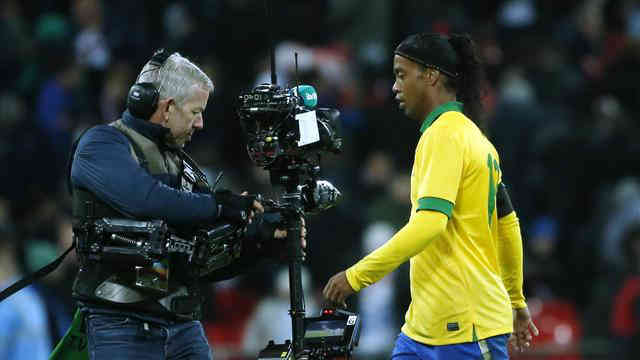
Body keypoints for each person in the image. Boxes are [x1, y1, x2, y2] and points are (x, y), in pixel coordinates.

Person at [60, 49, 299, 360]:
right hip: (121, 326)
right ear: (167, 107)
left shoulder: (180, 164)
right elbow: (145, 199)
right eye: (195, 112)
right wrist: (219, 206)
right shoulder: (101, 144)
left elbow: (202, 264)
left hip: (183, 326)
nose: (200, 123)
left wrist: (259, 242)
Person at [323, 33, 538, 359]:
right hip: (423, 328)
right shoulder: (475, 138)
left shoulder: (445, 136)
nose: (395, 86)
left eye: (401, 74)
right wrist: (516, 301)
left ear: (431, 75)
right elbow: (507, 225)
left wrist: (356, 277)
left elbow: (430, 223)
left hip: (466, 328)